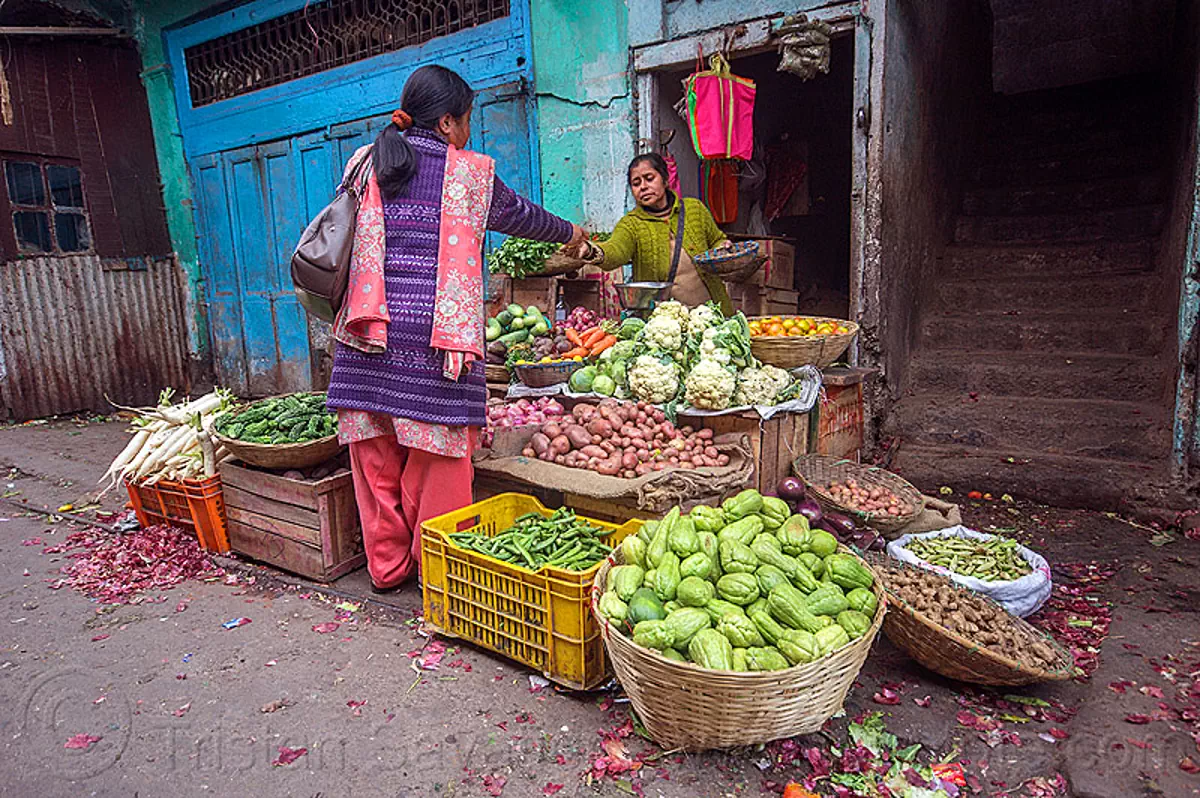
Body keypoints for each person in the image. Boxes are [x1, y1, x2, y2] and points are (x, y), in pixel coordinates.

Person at [326, 65, 586, 591]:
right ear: (447, 122)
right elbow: (520, 216)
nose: (468, 130)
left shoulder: (363, 162)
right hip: (434, 343)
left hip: (365, 334)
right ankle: (440, 576)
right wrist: (573, 233)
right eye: (466, 119)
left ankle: (387, 570)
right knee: (439, 462)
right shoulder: (467, 172)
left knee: (374, 459)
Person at [576, 153, 734, 314]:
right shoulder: (632, 224)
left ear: (665, 180)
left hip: (713, 313)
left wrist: (723, 246)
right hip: (666, 322)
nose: (643, 187)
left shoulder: (695, 210)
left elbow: (716, 239)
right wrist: (590, 251)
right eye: (636, 184)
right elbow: (616, 250)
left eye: (649, 178)